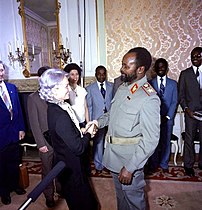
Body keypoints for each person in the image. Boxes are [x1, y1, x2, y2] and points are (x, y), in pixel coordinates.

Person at [89, 47, 160, 209]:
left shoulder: (149, 98)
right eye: (122, 64)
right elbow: (111, 115)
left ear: (140, 69)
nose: (122, 69)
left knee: (135, 202)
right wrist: (97, 123)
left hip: (129, 161)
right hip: (113, 156)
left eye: (126, 66)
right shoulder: (123, 87)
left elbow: (150, 140)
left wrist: (130, 168)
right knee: (121, 199)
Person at [39, 68, 99, 210]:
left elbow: (66, 133)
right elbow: (78, 148)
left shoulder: (56, 106)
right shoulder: (59, 115)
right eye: (66, 86)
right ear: (54, 90)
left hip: (67, 164)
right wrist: (89, 133)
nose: (69, 88)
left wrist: (82, 130)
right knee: (84, 204)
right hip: (71, 168)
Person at [27, 66, 61, 208]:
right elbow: (34, 124)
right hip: (45, 142)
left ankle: (60, 189)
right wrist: (41, 144)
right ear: (40, 79)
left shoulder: (55, 94)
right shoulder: (33, 98)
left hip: (59, 140)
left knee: (59, 167)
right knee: (47, 171)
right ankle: (48, 195)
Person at [0, 61, 26, 205]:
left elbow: (19, 110)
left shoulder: (12, 88)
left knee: (14, 162)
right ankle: (4, 192)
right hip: (0, 136)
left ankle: (15, 185)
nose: (1, 73)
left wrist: (21, 128)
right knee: (1, 166)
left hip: (14, 133)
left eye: (2, 70)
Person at [148, 58, 178, 173]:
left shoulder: (173, 84)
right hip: (154, 119)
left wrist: (167, 117)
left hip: (168, 119)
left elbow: (174, 101)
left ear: (167, 69)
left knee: (166, 142)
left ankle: (164, 164)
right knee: (153, 142)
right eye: (158, 67)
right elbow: (148, 102)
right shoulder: (149, 84)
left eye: (163, 67)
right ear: (155, 69)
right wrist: (156, 117)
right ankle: (153, 164)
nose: (161, 69)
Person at [178, 47, 202, 177]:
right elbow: (181, 95)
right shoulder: (185, 74)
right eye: (193, 56)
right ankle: (188, 165)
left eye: (198, 56)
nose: (195, 58)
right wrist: (187, 109)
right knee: (189, 139)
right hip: (191, 113)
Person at [86, 65, 113, 174]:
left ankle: (110, 164)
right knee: (99, 143)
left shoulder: (112, 86)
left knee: (111, 142)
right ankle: (99, 165)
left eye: (103, 74)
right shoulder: (90, 89)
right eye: (99, 74)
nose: (101, 76)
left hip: (111, 119)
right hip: (98, 120)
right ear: (95, 75)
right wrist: (91, 122)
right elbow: (90, 107)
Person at [64, 63, 89, 129]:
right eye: (72, 74)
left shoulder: (82, 90)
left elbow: (85, 108)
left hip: (83, 122)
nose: (75, 77)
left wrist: (88, 123)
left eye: (77, 74)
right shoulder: (65, 90)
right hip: (72, 123)